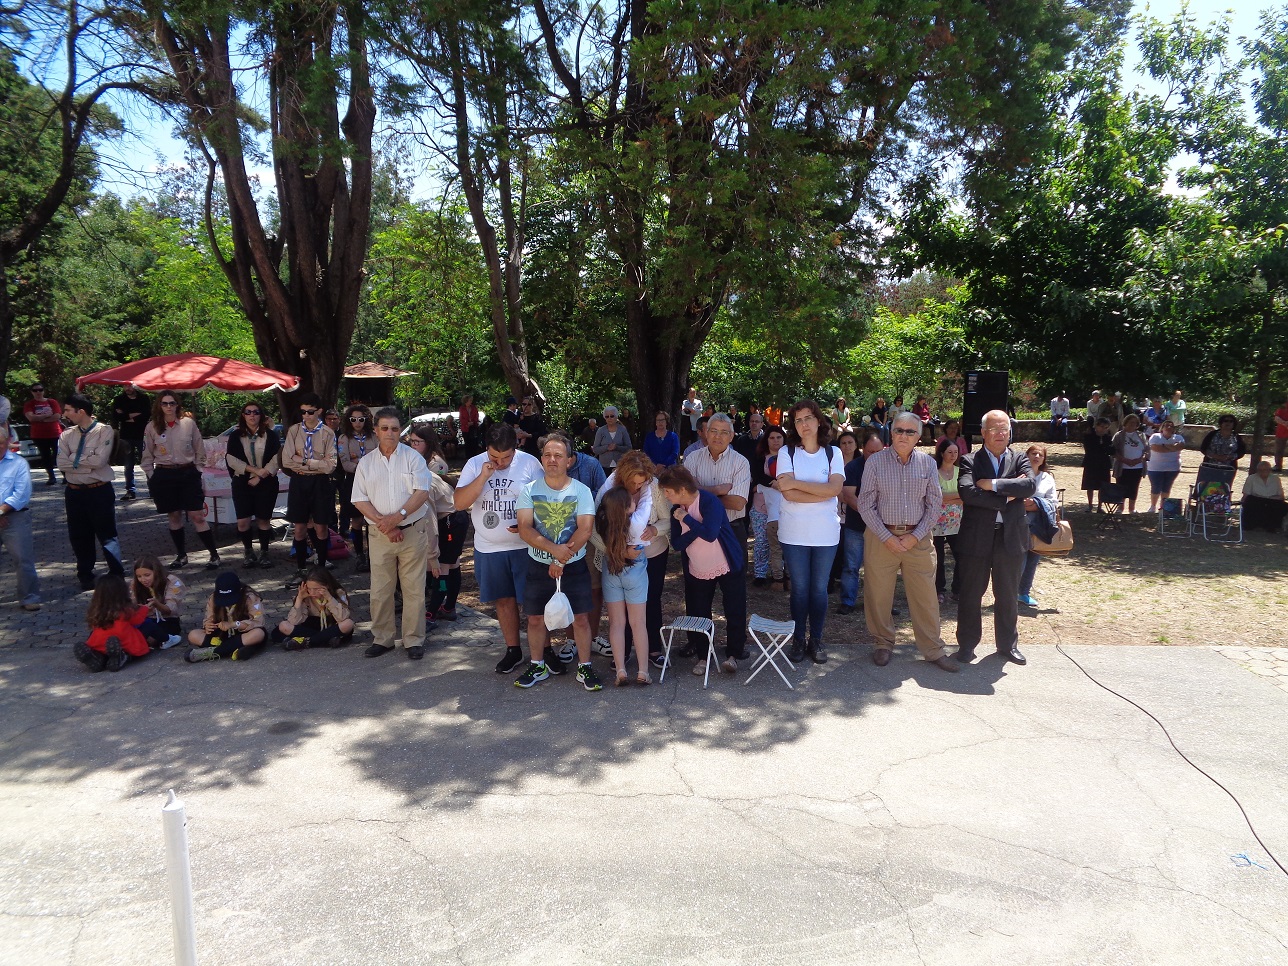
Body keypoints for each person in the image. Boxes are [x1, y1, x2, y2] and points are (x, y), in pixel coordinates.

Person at [856, 412, 958, 672]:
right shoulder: (875, 462)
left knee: (926, 597)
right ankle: (882, 643)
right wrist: (887, 537)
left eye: (910, 431)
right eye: (899, 430)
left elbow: (934, 504)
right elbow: (865, 504)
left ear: (918, 436)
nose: (903, 435)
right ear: (892, 433)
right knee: (878, 595)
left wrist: (914, 536)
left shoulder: (927, 463)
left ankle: (933, 649)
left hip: (918, 539)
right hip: (881, 537)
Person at [514, 433, 602, 691]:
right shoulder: (529, 491)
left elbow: (585, 529)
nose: (552, 460)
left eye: (558, 455)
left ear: (569, 460)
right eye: (547, 455)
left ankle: (585, 667)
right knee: (535, 619)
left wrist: (561, 560)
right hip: (538, 565)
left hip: (573, 566)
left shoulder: (581, 491)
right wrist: (555, 553)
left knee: (581, 619)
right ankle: (538, 665)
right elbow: (524, 529)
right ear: (542, 459)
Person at [455, 423, 544, 674]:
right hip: (489, 548)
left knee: (534, 602)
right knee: (504, 600)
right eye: (495, 457)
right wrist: (483, 476)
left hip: (525, 546)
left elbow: (544, 501)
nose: (501, 463)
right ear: (487, 449)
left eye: (507, 457)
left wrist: (529, 523)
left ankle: (544, 650)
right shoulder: (475, 464)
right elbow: (459, 503)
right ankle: (513, 650)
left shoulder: (529, 463)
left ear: (516, 448)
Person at [955, 410, 1037, 666]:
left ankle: (1007, 645)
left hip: (1010, 537)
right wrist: (1009, 494)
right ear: (983, 433)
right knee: (971, 594)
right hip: (976, 538)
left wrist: (993, 485)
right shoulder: (969, 460)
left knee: (1008, 594)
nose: (1000, 434)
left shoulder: (1020, 458)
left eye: (1005, 429)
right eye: (994, 429)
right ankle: (967, 645)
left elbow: (1029, 486)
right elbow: (968, 493)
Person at [351, 408, 433, 660]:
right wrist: (385, 525)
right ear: (376, 431)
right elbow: (359, 499)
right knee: (380, 590)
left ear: (400, 431)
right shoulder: (366, 463)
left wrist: (396, 518)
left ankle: (413, 640)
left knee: (414, 589)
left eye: (395, 429)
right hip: (380, 535)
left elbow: (422, 492)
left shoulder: (413, 458)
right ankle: (382, 639)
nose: (390, 433)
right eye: (385, 428)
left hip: (412, 531)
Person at [658, 465, 749, 676]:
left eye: (668, 492)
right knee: (699, 611)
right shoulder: (676, 510)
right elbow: (677, 544)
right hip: (698, 567)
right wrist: (693, 527)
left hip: (726, 562)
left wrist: (687, 520)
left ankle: (734, 654)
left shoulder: (709, 501)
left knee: (734, 608)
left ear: (682, 489)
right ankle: (703, 656)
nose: (666, 496)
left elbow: (710, 534)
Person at [775, 400, 845, 664]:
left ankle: (816, 639)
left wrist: (797, 484)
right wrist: (822, 492)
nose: (803, 424)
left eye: (808, 418)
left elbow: (835, 489)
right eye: (798, 420)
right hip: (794, 533)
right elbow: (787, 493)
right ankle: (798, 639)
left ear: (819, 421)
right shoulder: (787, 452)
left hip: (826, 533)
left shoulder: (833, 453)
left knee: (819, 590)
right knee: (800, 589)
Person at [596, 451, 669, 672]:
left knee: (651, 599)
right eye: (633, 483)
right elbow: (595, 528)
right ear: (623, 477)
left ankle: (653, 649)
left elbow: (668, 519)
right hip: (618, 557)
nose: (637, 487)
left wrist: (655, 529)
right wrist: (619, 551)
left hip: (653, 552)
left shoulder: (653, 486)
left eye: (641, 483)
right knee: (621, 609)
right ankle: (624, 652)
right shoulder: (609, 487)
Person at [142, 389, 220, 570]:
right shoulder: (152, 427)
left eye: (172, 403)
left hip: (188, 473)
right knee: (174, 515)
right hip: (164, 474)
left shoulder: (188, 424)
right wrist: (152, 476)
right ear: (159, 405)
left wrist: (198, 469)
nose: (169, 407)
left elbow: (199, 448)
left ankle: (213, 555)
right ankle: (181, 555)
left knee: (197, 516)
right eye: (165, 403)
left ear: (177, 405)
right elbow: (146, 455)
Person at [57, 394, 125, 591]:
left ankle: (116, 572)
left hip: (99, 490)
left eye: (68, 410)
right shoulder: (66, 434)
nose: (65, 414)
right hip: (74, 492)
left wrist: (73, 460)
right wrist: (87, 463)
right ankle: (85, 574)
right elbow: (60, 463)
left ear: (81, 411)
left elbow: (100, 461)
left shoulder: (104, 431)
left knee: (107, 534)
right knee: (79, 535)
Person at [409, 425, 468, 626]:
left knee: (442, 568)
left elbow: (431, 523)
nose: (412, 446)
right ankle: (448, 607)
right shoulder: (421, 473)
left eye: (417, 442)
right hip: (454, 517)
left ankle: (432, 612)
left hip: (451, 520)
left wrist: (432, 555)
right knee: (452, 564)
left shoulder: (423, 483)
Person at [594, 486, 653, 686]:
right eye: (631, 501)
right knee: (638, 623)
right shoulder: (637, 523)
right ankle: (643, 671)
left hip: (611, 570)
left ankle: (620, 670)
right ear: (627, 507)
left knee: (616, 623)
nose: (635, 501)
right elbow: (647, 502)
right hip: (635, 572)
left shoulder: (604, 524)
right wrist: (645, 486)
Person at [281, 393, 339, 582]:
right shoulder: (294, 431)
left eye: (310, 412)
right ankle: (301, 569)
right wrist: (316, 463)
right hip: (299, 481)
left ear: (319, 411)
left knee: (321, 527)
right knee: (299, 528)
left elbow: (330, 466)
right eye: (303, 412)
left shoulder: (328, 433)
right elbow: (287, 461)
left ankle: (321, 568)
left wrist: (305, 460)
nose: (306, 415)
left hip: (320, 482)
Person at [682, 413, 752, 563]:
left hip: (731, 528)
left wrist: (699, 490)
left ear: (731, 436)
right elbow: (685, 495)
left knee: (735, 575)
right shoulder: (692, 458)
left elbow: (737, 503)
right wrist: (718, 490)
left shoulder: (741, 462)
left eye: (724, 432)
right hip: (698, 526)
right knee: (698, 576)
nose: (717, 436)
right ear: (706, 433)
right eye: (713, 431)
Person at [224, 401, 281, 568]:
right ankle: (248, 552)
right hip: (242, 482)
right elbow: (231, 459)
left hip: (266, 482)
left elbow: (277, 458)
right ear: (243, 415)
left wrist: (261, 476)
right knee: (243, 521)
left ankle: (264, 552)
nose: (252, 415)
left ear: (261, 415)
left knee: (263, 520)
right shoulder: (236, 436)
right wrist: (254, 470)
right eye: (248, 412)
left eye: (256, 412)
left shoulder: (270, 435)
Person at [184, 571, 268, 662]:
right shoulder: (213, 597)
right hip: (222, 636)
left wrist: (234, 624)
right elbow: (209, 618)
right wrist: (208, 625)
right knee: (193, 635)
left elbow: (258, 622)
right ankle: (231, 650)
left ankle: (211, 653)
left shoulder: (250, 597)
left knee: (258, 634)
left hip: (243, 634)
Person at [0, 423, 40, 611]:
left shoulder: (19, 463)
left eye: (1, 443)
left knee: (23, 559)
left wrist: (2, 511)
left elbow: (21, 494)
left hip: (15, 517)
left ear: (8, 441)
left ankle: (29, 597)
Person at [73, 575, 151, 672]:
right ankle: (123, 656)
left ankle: (98, 657)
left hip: (99, 642)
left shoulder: (96, 610)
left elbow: (93, 625)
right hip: (123, 641)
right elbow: (137, 620)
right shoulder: (125, 609)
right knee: (132, 648)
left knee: (101, 650)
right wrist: (145, 609)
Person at [837, 432, 878, 615]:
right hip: (856, 525)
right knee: (851, 566)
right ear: (863, 449)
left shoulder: (890, 467)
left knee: (879, 567)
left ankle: (881, 603)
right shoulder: (853, 467)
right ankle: (848, 601)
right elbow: (848, 496)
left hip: (882, 527)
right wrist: (871, 515)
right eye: (870, 452)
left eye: (878, 451)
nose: (874, 455)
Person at [272, 566, 356, 649]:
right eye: (309, 588)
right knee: (283, 626)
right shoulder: (306, 595)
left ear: (327, 586)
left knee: (348, 624)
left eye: (316, 589)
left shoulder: (338, 592)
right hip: (311, 627)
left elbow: (343, 618)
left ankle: (307, 641)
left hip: (331, 626)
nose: (312, 593)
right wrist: (299, 599)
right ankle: (325, 640)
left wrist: (330, 598)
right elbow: (293, 622)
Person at [1018, 444, 1059, 608]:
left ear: (1043, 459)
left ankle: (1024, 593)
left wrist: (1036, 504)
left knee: (1033, 559)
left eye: (1040, 455)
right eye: (1033, 453)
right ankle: (1009, 593)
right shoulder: (1018, 475)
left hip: (1039, 525)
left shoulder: (1047, 478)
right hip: (1019, 523)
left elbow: (1053, 501)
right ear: (1027, 455)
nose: (1036, 457)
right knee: (1018, 560)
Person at [336, 404, 375, 572]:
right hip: (354, 481)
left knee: (373, 520)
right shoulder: (344, 438)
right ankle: (360, 555)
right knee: (357, 520)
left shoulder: (374, 437)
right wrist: (364, 466)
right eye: (353, 419)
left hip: (374, 480)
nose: (357, 422)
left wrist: (359, 462)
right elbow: (345, 463)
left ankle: (373, 555)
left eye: (361, 419)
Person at [932, 438, 964, 605]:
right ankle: (938, 590)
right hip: (936, 523)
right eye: (949, 452)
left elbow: (967, 496)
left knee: (962, 556)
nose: (953, 455)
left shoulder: (962, 472)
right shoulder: (934, 472)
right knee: (938, 559)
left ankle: (958, 589)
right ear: (942, 453)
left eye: (955, 452)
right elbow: (935, 497)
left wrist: (946, 498)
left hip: (957, 523)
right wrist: (956, 497)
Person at [756, 426, 788, 589]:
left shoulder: (791, 456)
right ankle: (767, 576)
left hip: (788, 513)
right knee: (764, 543)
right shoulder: (761, 457)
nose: (775, 441)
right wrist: (772, 483)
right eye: (772, 438)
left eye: (779, 437)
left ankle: (785, 578)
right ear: (766, 440)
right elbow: (757, 477)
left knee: (785, 548)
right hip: (764, 508)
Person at [132, 554, 185, 649]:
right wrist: (136, 607)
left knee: (150, 638)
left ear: (156, 572)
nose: (143, 580)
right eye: (139, 576)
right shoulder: (136, 584)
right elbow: (132, 603)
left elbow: (170, 610)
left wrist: (157, 604)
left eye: (147, 575)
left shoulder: (172, 582)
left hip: (167, 620)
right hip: (145, 619)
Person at [111, 385, 150, 501]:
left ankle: (153, 489)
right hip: (126, 435)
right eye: (125, 386)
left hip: (142, 435)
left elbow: (146, 415)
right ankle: (130, 490)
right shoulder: (119, 399)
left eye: (129, 385)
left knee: (147, 462)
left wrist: (126, 415)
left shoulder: (144, 398)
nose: (127, 388)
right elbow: (117, 417)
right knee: (128, 465)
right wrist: (134, 415)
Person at [22, 383, 62, 485]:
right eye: (35, 390)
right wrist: (46, 416)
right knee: (45, 456)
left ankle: (65, 475)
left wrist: (40, 419)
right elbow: (31, 417)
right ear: (32, 392)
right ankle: (51, 477)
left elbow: (57, 416)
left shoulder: (52, 402)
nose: (38, 392)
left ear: (43, 391)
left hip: (55, 434)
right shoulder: (30, 404)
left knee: (59, 455)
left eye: (40, 390)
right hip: (39, 435)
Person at [1146, 419, 1186, 514]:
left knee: (1166, 487)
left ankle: (1163, 507)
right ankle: (1153, 506)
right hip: (1155, 468)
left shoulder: (1179, 437)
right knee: (1156, 487)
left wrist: (1164, 446)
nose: (1169, 427)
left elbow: (1180, 447)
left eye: (1171, 426)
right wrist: (1172, 447)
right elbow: (1156, 448)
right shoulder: (1155, 436)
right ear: (1162, 428)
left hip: (1173, 468)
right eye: (1166, 425)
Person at [1197, 415, 1246, 488]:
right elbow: (1203, 448)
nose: (1228, 423)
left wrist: (1229, 457)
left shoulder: (1236, 437)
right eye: (1225, 421)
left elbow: (1241, 452)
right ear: (1221, 423)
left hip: (1228, 469)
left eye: (1231, 421)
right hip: (1209, 467)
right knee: (1205, 488)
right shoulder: (1212, 434)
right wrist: (1214, 456)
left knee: (1223, 489)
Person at [1112, 413, 1148, 513]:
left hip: (1138, 467)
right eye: (1130, 422)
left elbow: (1147, 450)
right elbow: (1113, 451)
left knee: (1134, 488)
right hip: (1122, 467)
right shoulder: (1119, 435)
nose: (1133, 425)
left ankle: (1132, 508)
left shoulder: (1141, 435)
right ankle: (1120, 507)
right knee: (1121, 487)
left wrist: (1140, 459)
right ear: (1125, 423)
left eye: (1135, 423)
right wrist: (1125, 460)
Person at [1242, 461, 1288, 532]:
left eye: (1265, 470)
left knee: (1283, 505)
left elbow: (1281, 496)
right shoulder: (1251, 478)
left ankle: (1272, 525)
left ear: (1270, 470)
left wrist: (1269, 498)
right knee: (1251, 501)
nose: (1262, 472)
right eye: (1260, 470)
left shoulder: (1276, 479)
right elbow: (1246, 495)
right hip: (1257, 501)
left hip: (1271, 501)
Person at [1081, 417, 1114, 508]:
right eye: (1102, 426)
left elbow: (1111, 451)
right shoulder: (1089, 436)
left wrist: (1106, 445)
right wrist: (1103, 446)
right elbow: (1089, 449)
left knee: (1103, 485)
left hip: (1103, 463)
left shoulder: (1108, 438)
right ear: (1096, 426)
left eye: (1106, 427)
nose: (1103, 429)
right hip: (1091, 462)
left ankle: (1100, 506)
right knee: (1090, 485)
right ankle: (1090, 505)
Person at [593, 405, 633, 470]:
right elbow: (595, 449)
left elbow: (629, 448)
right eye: (607, 416)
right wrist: (607, 447)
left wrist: (617, 447)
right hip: (604, 467)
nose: (609, 418)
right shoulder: (600, 431)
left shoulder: (622, 430)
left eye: (612, 416)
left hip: (620, 466)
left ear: (616, 416)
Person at [1274, 396, 1288, 473]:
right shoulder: (1283, 406)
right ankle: (1278, 466)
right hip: (1281, 432)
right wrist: (1285, 423)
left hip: (1282, 431)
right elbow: (1276, 417)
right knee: (1279, 450)